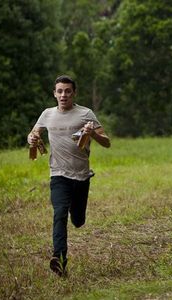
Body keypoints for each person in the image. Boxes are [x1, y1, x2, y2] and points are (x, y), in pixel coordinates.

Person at [27, 75, 111, 276]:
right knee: (59, 213)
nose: (63, 95)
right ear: (54, 94)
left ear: (74, 93)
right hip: (58, 174)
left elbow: (107, 142)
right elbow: (34, 134)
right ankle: (59, 258)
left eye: (67, 91)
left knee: (78, 220)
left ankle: (77, 214)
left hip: (81, 176)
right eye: (60, 91)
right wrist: (31, 138)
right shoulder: (47, 114)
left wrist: (93, 134)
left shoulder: (86, 114)